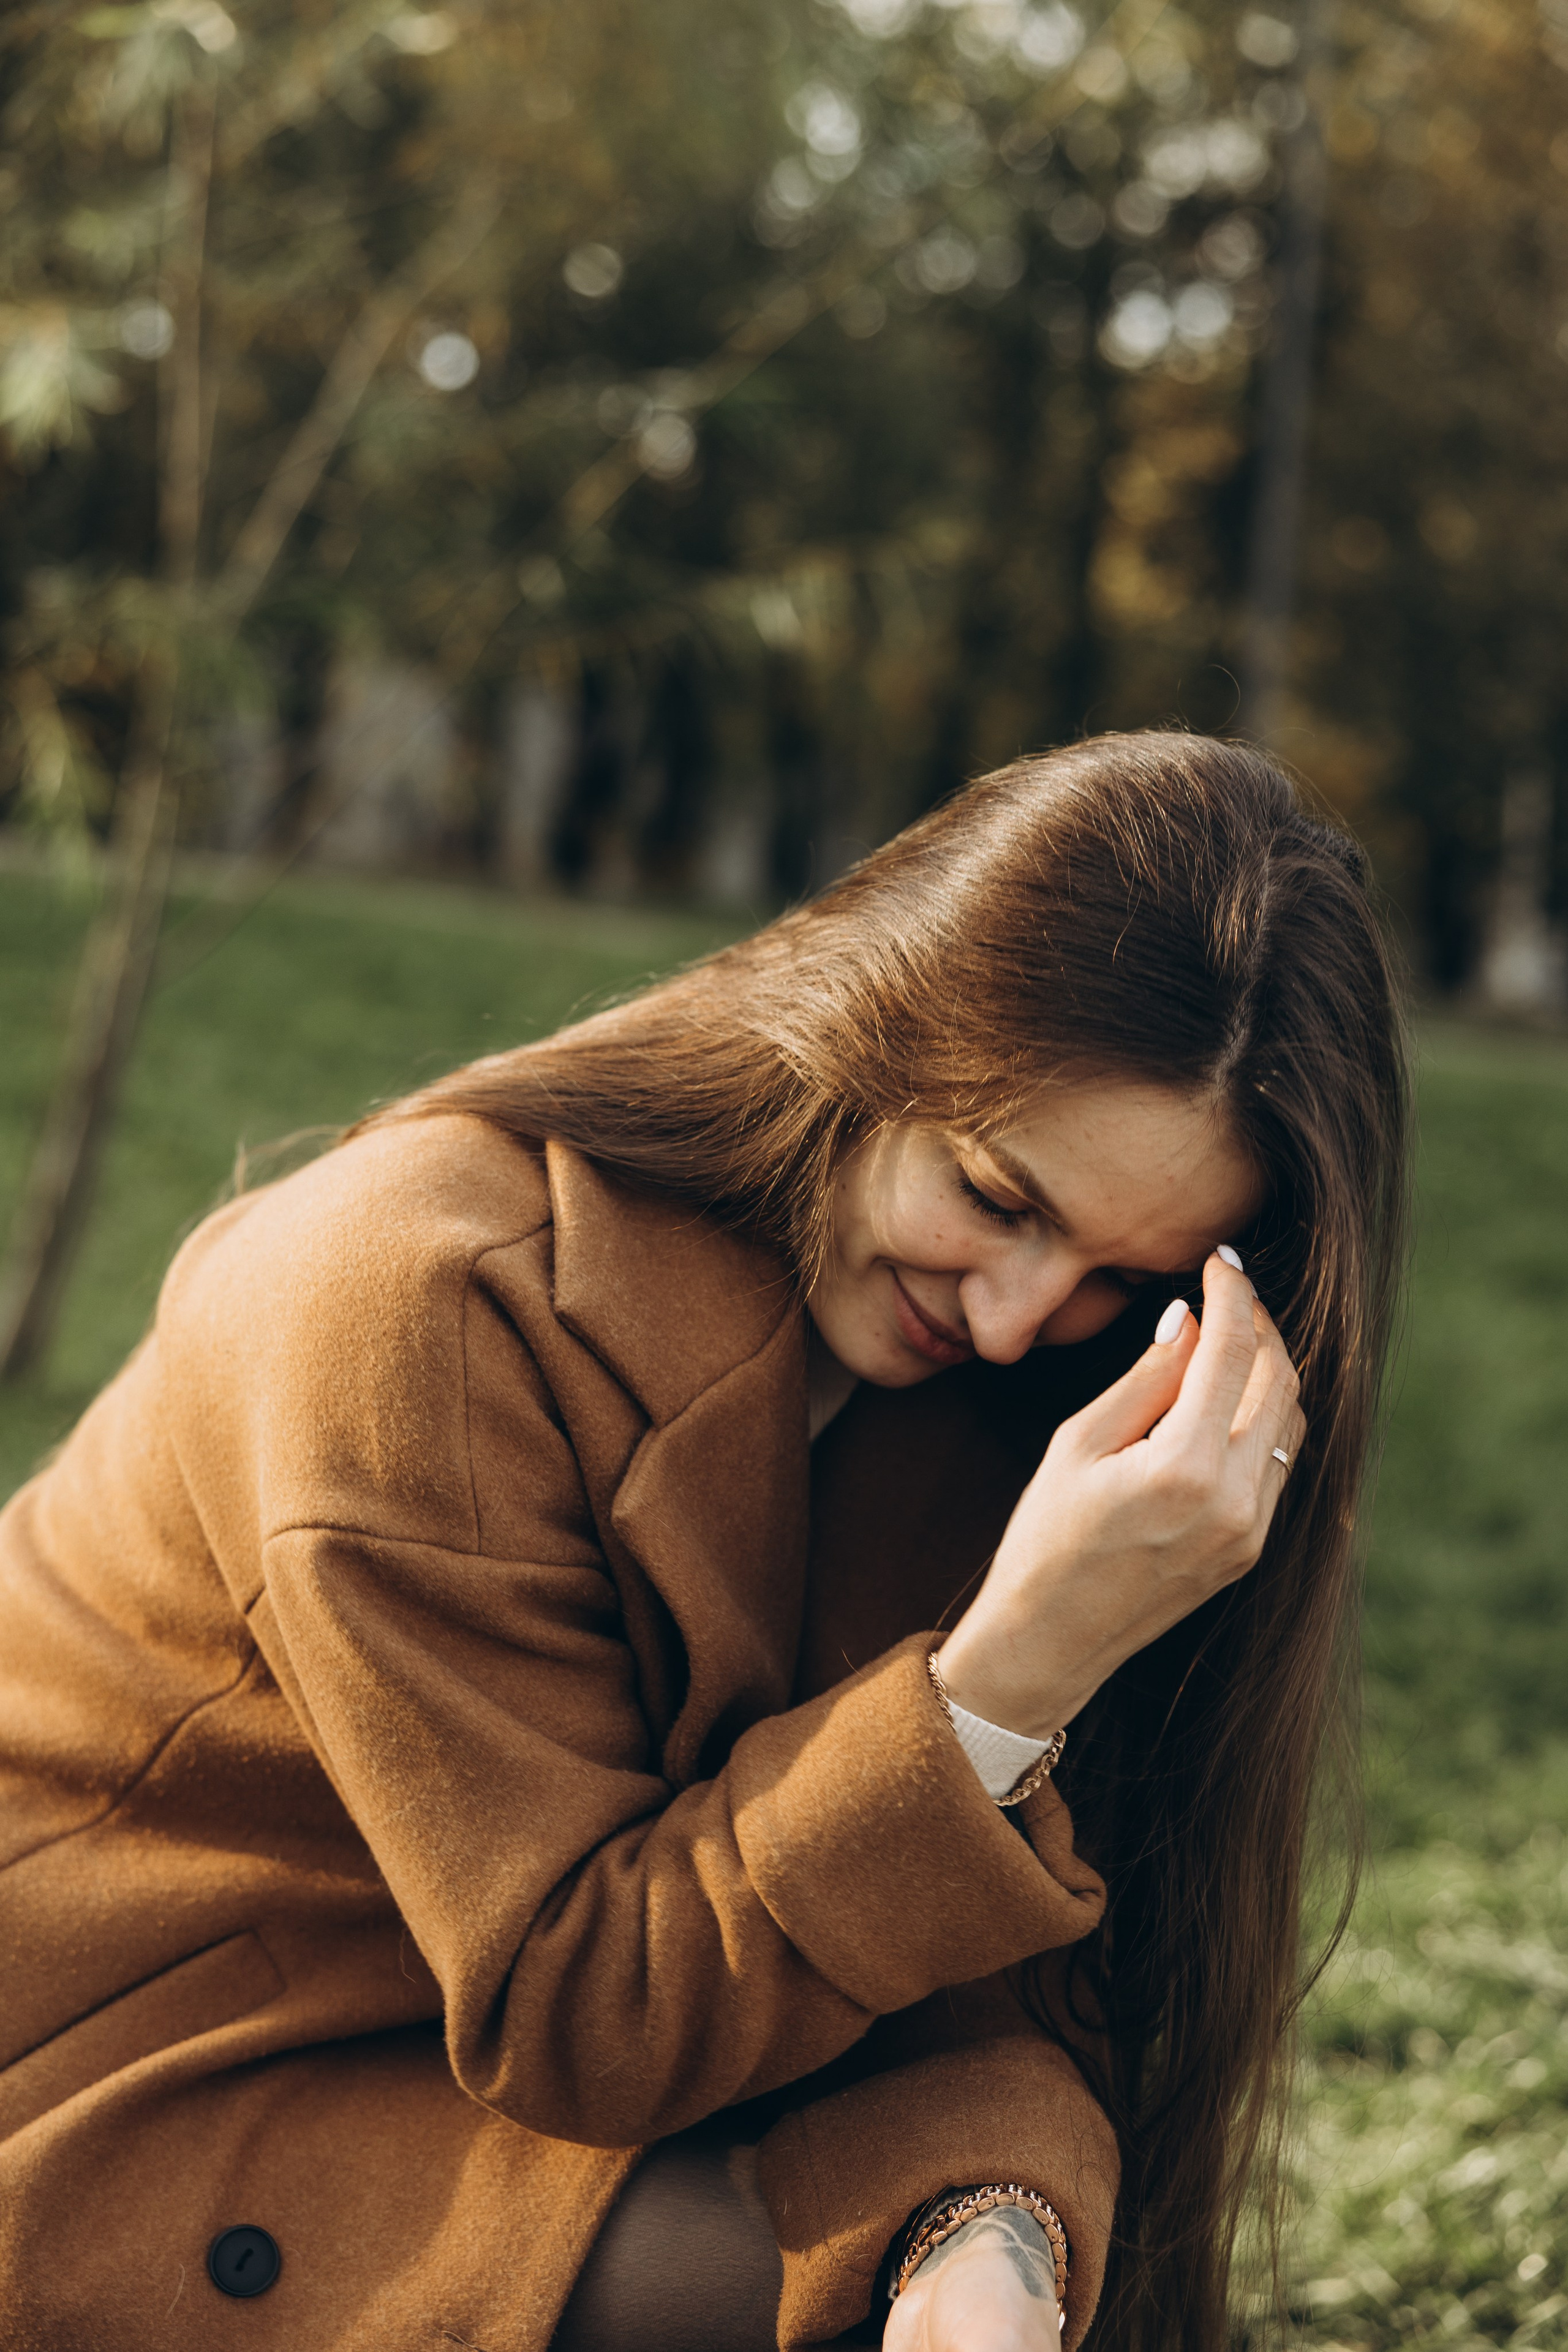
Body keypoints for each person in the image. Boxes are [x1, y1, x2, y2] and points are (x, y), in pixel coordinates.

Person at [0, 732, 1407, 2352]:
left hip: (569, 2077)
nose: (1024, 1321)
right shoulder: (411, 1303)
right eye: (997, 1196)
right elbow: (581, 2011)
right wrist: (1020, 1667)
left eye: (1117, 1273)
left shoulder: (1022, 1400)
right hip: (149, 2079)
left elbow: (981, 1965)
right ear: (870, 1023)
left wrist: (989, 2232)